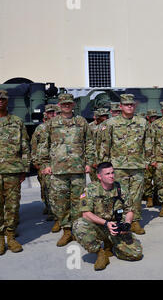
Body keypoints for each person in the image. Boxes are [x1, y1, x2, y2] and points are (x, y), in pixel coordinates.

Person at [39, 93, 95, 247]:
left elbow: (89, 143)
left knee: (79, 201)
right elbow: (44, 145)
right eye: (64, 104)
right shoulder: (52, 123)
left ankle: (78, 230)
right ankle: (66, 230)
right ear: (59, 105)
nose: (66, 106)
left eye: (69, 103)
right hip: (58, 170)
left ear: (73, 105)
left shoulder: (81, 122)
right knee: (60, 202)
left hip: (78, 169)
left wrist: (89, 162)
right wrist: (45, 164)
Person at [72, 162, 143, 271]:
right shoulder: (91, 189)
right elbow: (86, 214)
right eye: (107, 174)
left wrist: (127, 224)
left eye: (112, 172)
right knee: (79, 225)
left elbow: (130, 210)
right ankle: (100, 253)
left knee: (136, 254)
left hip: (116, 227)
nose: (111, 176)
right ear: (99, 176)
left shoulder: (120, 189)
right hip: (99, 226)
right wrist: (106, 223)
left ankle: (113, 245)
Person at [98, 94, 152, 235]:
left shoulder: (142, 122)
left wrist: (147, 161)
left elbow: (148, 143)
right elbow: (105, 144)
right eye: (126, 104)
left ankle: (135, 221)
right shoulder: (111, 123)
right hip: (118, 166)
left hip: (137, 165)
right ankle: (121, 221)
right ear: (120, 106)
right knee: (120, 195)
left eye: (132, 104)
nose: (129, 106)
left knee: (136, 195)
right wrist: (105, 164)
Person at [0, 89, 30, 254]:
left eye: (3, 99)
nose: (0, 101)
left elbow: (25, 146)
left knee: (12, 206)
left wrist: (25, 168)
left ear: (7, 101)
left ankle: (10, 237)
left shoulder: (17, 122)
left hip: (12, 170)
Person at [31, 104, 59, 230]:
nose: (53, 114)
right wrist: (35, 161)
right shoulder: (41, 128)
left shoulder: (60, 126)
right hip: (45, 163)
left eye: (54, 112)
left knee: (58, 190)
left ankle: (58, 214)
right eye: (50, 112)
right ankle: (50, 209)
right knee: (46, 188)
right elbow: (34, 145)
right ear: (46, 114)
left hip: (59, 163)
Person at [143, 109, 159, 208]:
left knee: (158, 179)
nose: (154, 119)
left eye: (155, 117)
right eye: (152, 117)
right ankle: (149, 197)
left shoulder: (158, 126)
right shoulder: (144, 127)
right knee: (147, 180)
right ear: (148, 117)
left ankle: (156, 197)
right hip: (146, 157)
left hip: (157, 156)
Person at [89, 107, 110, 182]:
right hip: (94, 154)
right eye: (103, 116)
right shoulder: (90, 126)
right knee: (94, 178)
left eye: (106, 116)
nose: (106, 118)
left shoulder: (108, 126)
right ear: (98, 117)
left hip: (104, 154)